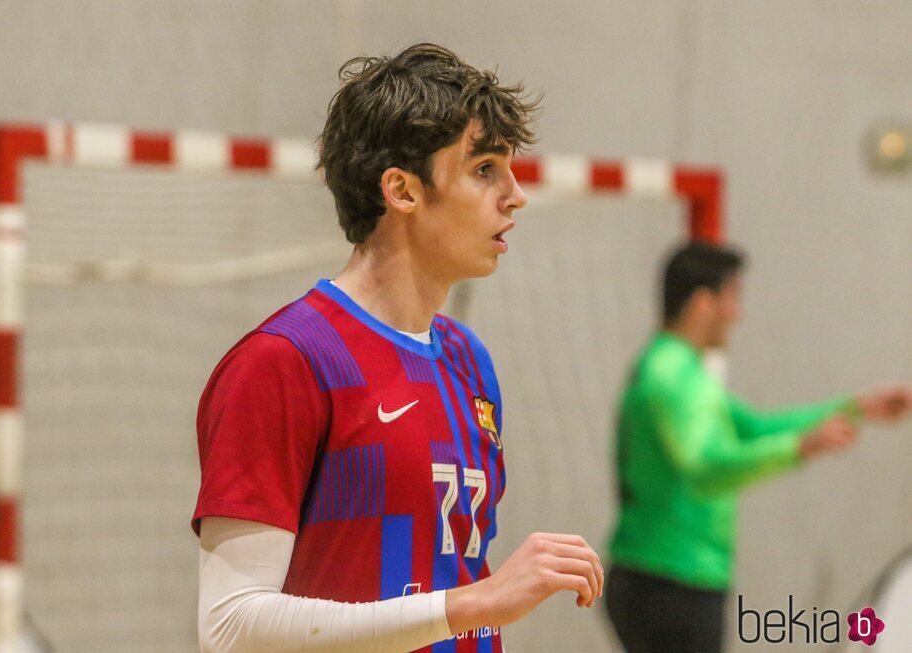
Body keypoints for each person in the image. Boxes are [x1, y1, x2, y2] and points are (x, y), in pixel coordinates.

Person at [192, 43, 604, 653]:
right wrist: (475, 603)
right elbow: (230, 630)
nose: (515, 195)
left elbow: (449, 592)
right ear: (402, 191)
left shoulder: (470, 360)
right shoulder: (285, 360)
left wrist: (470, 610)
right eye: (485, 169)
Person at [604, 241, 912, 653]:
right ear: (702, 303)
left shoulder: (677, 367)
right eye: (732, 298)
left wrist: (855, 408)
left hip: (668, 577)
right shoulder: (673, 377)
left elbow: (752, 428)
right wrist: (799, 448)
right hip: (669, 580)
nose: (738, 314)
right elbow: (706, 467)